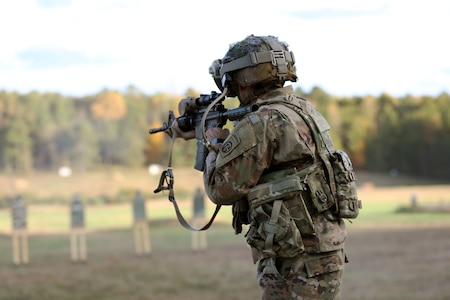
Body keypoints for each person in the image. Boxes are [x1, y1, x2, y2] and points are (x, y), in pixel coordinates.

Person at [170, 35, 347, 299]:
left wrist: (213, 144)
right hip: (321, 251)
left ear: (241, 77)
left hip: (295, 262)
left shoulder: (260, 122)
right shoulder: (302, 110)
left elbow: (222, 190)